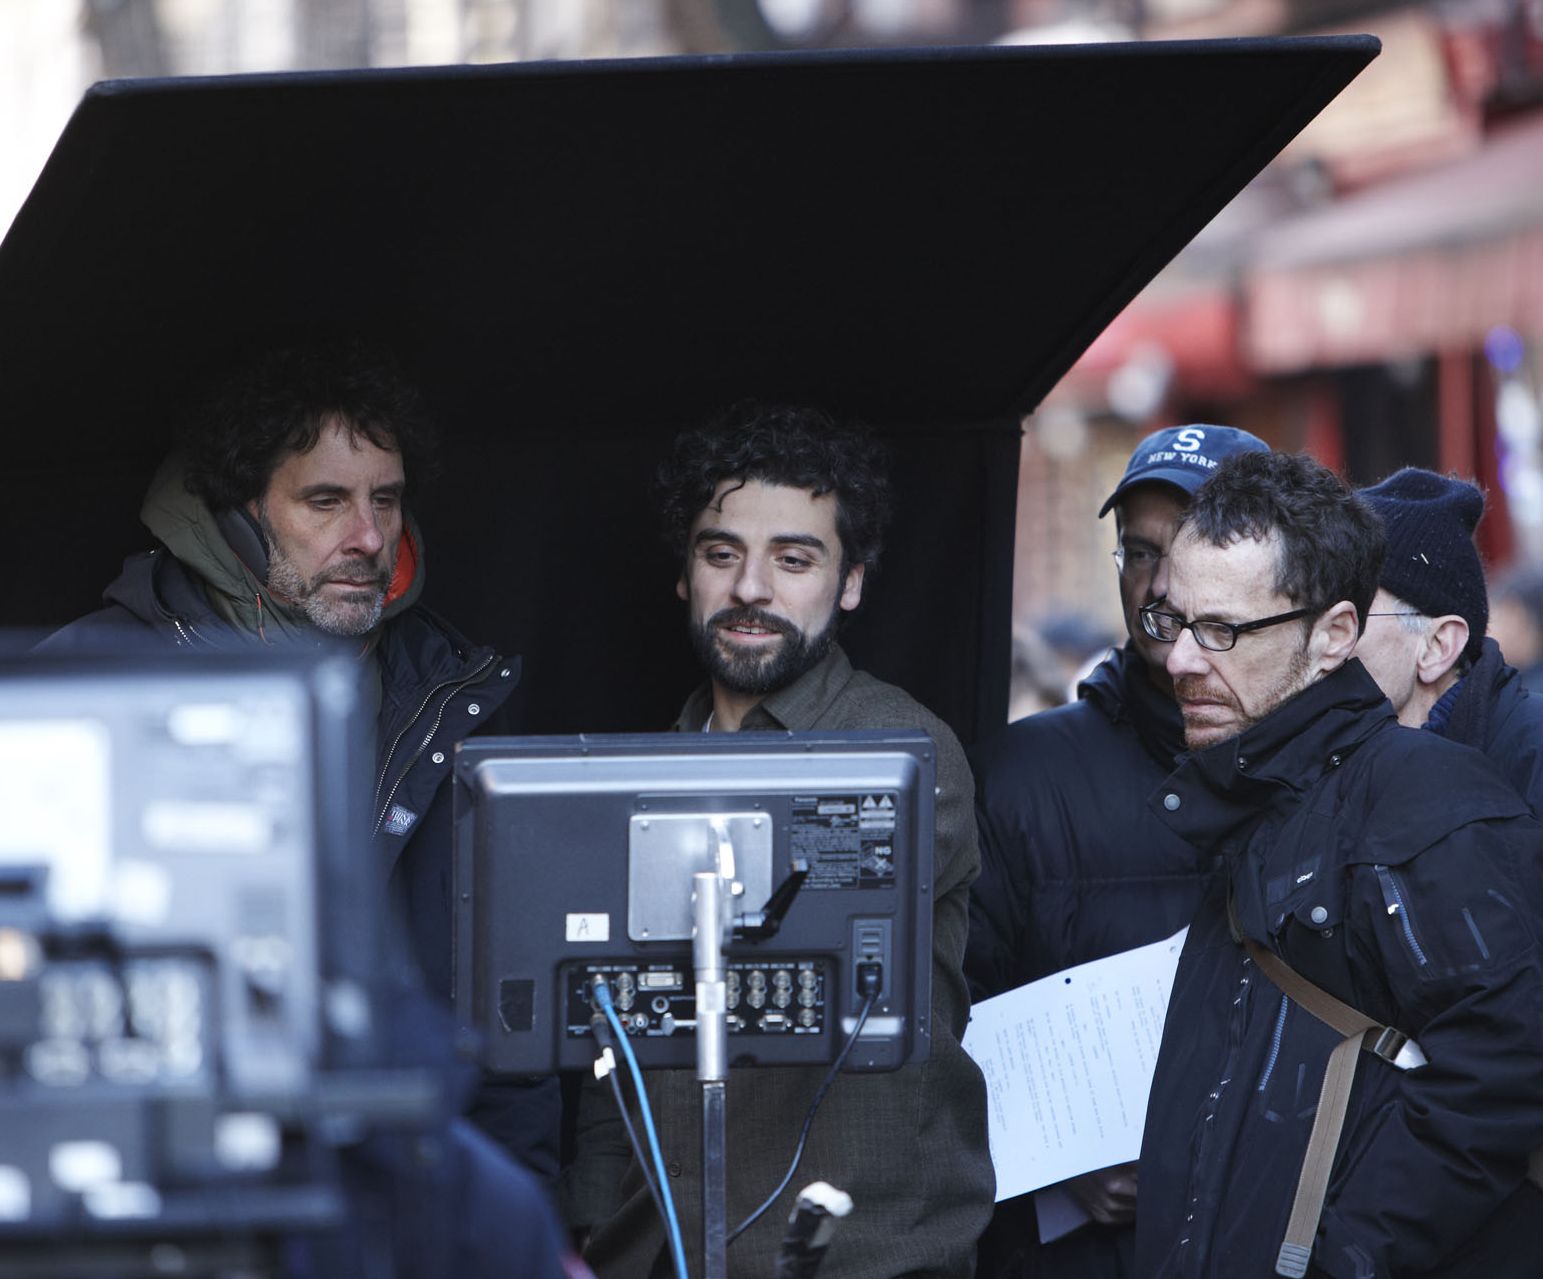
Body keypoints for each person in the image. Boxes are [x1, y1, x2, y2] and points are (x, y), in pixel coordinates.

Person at [39, 345, 568, 1276]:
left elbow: (512, 1014)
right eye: (325, 502)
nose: (368, 536)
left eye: (388, 499)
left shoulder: (455, 694)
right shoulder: (84, 691)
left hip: (402, 1208)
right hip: (165, 1210)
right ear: (241, 515)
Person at [576, 402, 994, 1279]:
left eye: (792, 559)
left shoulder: (903, 753)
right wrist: (591, 1220)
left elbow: (783, 923)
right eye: (720, 553)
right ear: (685, 575)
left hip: (857, 1256)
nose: (751, 589)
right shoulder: (646, 766)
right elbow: (610, 1019)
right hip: (658, 1250)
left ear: (850, 583)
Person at [1136, 450, 1543, 1278]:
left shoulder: (1423, 799)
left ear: (1333, 635)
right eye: (1169, 623)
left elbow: (1497, 1072)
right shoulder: (1246, 791)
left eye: (1220, 631)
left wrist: (1342, 1258)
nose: (1179, 659)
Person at [967, 424, 1267, 1279]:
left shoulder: (1333, 772)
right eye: (1138, 552)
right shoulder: (1022, 773)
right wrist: (1058, 1168)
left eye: (1192, 548)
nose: (1159, 583)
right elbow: (949, 1014)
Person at [1355, 467, 1543, 813]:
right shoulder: (1322, 754)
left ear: (1438, 645)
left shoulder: (1530, 753)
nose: (1321, 642)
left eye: (1352, 618)